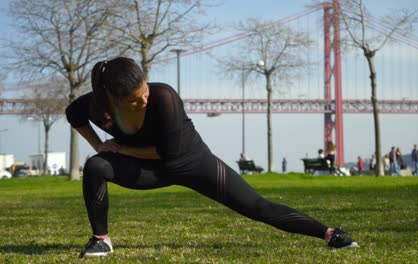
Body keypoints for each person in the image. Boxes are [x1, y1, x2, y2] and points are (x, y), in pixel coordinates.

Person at [65, 57, 358, 258]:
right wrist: (99, 146)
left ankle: (330, 234)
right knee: (96, 166)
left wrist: (119, 148)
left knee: (257, 206)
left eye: (144, 91)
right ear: (115, 99)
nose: (144, 99)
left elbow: (167, 153)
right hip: (146, 171)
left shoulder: (164, 97)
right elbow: (72, 114)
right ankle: (101, 240)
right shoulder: (98, 107)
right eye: (135, 99)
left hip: (191, 162)